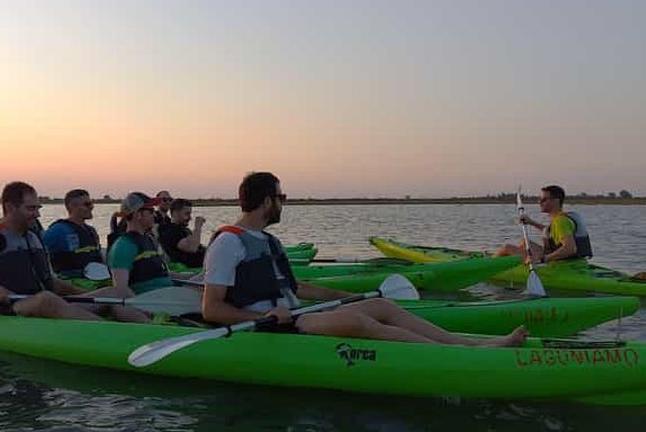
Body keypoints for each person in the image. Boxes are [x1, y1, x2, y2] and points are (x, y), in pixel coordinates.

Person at [202, 172, 527, 346]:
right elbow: (211, 309)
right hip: (274, 326)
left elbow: (296, 287)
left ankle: (466, 343)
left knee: (382, 307)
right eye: (281, 197)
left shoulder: (268, 241)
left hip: (298, 313)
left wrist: (346, 298)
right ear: (267, 201)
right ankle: (460, 354)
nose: (284, 204)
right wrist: (264, 316)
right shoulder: (228, 243)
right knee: (357, 323)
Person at [0, 181, 147, 322]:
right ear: (10, 207)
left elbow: (51, 282)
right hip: (8, 309)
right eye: (30, 209)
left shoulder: (33, 236)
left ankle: (158, 329)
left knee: (115, 291)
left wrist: (85, 295)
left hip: (46, 303)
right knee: (46, 298)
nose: (36, 214)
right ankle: (115, 335)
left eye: (38, 208)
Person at [495, 185, 593, 264]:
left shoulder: (560, 221)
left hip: (562, 265)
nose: (540, 202)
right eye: (540, 199)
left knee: (506, 248)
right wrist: (531, 222)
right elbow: (551, 232)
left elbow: (570, 249)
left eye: (544, 199)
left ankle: (489, 265)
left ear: (556, 201)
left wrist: (542, 260)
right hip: (575, 262)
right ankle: (512, 262)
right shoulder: (563, 218)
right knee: (524, 242)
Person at [108, 192, 175, 296]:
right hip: (150, 302)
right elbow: (121, 289)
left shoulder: (149, 239)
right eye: (151, 211)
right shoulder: (123, 245)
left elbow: (163, 275)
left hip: (167, 294)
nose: (155, 214)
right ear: (137, 214)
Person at [42, 189, 104, 277]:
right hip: (71, 282)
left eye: (91, 203)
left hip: (95, 280)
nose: (91, 207)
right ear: (72, 207)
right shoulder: (58, 230)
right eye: (87, 204)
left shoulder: (91, 231)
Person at [159, 198, 206, 268]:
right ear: (175, 213)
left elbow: (197, 245)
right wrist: (198, 227)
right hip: (189, 271)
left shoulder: (184, 230)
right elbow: (192, 248)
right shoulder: (171, 231)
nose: (190, 218)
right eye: (187, 214)